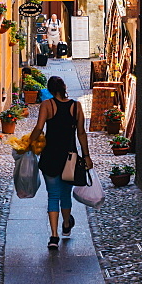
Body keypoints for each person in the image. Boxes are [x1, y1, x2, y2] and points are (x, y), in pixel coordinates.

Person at [29, 75, 93, 250]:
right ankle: (66, 224)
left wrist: (28, 145)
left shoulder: (47, 105)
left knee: (53, 195)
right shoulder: (76, 107)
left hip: (50, 156)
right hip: (70, 157)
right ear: (64, 87)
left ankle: (53, 237)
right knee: (65, 194)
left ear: (50, 90)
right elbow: (81, 133)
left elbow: (39, 128)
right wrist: (86, 156)